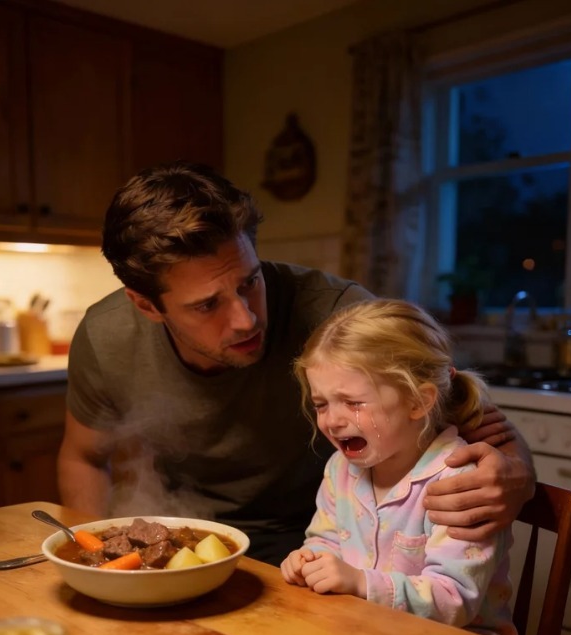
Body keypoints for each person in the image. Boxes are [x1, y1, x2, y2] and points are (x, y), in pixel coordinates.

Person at [57, 161, 534, 566]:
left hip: (321, 545)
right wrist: (94, 555)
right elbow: (85, 456)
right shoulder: (107, 336)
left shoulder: (337, 314)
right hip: (183, 540)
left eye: (250, 281)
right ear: (147, 306)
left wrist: (517, 474)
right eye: (207, 305)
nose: (245, 319)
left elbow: (460, 404)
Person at [281, 299, 518, 635]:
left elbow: (454, 600)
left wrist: (361, 582)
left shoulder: (460, 483)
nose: (332, 420)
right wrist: (311, 561)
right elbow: (326, 540)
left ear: (418, 401)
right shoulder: (340, 470)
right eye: (321, 404)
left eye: (353, 403)